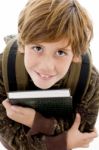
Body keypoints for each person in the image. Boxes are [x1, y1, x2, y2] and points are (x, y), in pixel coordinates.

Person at [0, 0, 99, 149]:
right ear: (22, 44)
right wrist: (63, 142)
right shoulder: (3, 71)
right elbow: (12, 140)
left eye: (60, 52)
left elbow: (83, 134)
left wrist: (39, 122)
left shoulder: (89, 80)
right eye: (37, 48)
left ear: (76, 55)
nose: (46, 66)